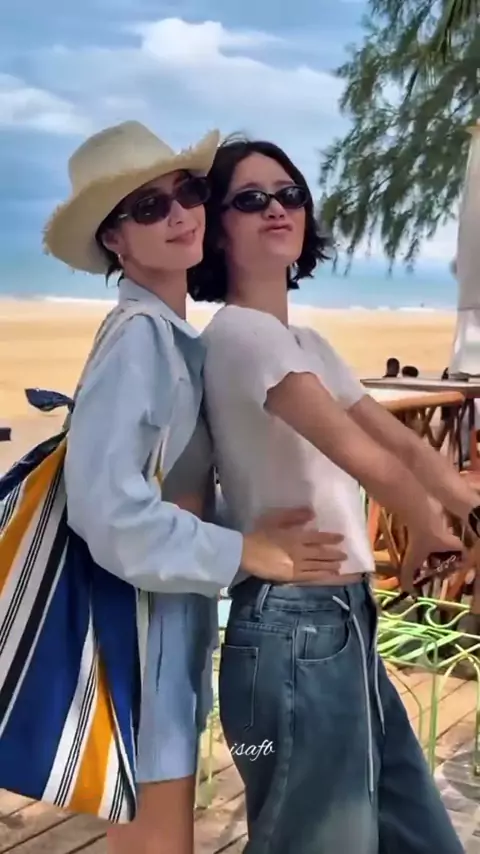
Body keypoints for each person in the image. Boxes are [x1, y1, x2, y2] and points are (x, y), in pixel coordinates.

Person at [42, 122, 346, 854]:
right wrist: (247, 551)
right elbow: (108, 509)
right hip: (137, 633)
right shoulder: (140, 338)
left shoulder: (170, 337)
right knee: (158, 839)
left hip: (160, 626)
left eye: (188, 192)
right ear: (115, 239)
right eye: (149, 208)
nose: (180, 214)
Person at [188, 135, 480, 853]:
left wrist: (468, 510)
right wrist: (425, 522)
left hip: (343, 625)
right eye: (250, 200)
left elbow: (405, 446)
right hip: (293, 628)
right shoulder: (240, 336)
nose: (277, 208)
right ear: (217, 230)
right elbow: (357, 453)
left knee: (420, 838)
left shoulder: (307, 342)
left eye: (289, 194)